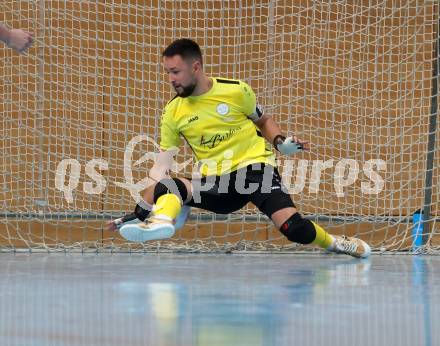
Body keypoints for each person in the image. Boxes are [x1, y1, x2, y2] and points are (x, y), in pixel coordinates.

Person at [107, 38, 371, 258]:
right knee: (169, 186)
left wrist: (280, 142)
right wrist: (140, 209)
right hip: (219, 184)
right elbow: (161, 166)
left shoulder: (236, 91)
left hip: (256, 171)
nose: (171, 79)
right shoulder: (173, 112)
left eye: (175, 72)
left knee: (294, 229)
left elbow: (264, 120)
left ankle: (336, 243)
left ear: (195, 67)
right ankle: (161, 220)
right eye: (167, 73)